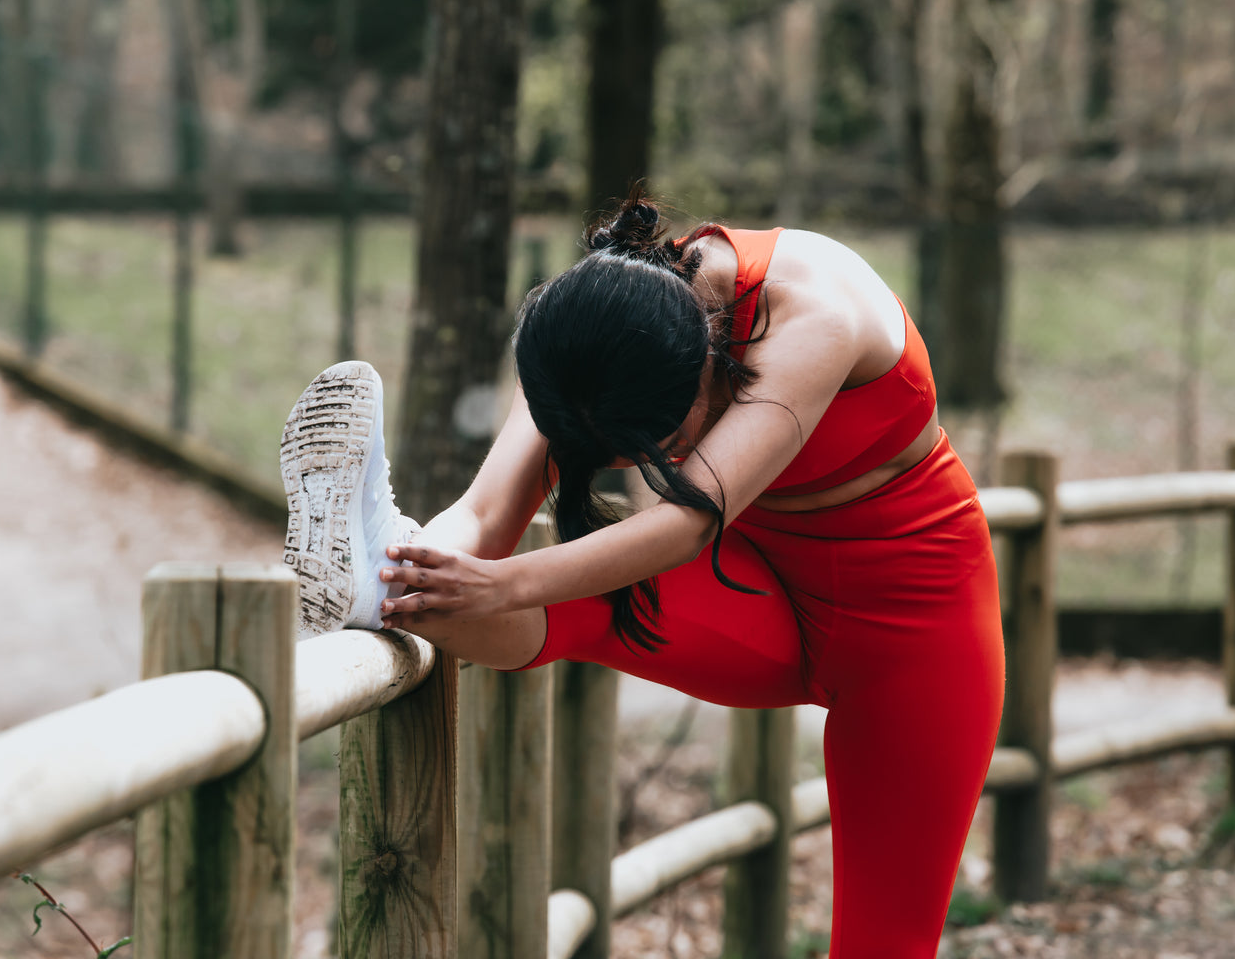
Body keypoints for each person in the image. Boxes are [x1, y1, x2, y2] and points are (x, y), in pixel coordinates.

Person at [280, 192, 1005, 958]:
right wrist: (433, 560)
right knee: (580, 606)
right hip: (752, 584)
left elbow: (685, 522)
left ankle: (384, 577)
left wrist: (502, 583)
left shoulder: (813, 315)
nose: (628, 464)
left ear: (704, 370)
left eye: (651, 448)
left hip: (913, 622)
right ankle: (380, 574)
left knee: (885, 943)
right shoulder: (591, 329)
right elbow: (487, 511)